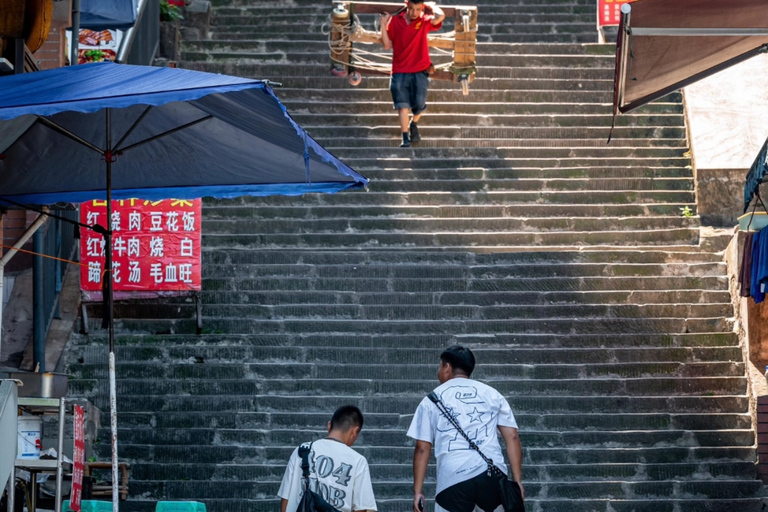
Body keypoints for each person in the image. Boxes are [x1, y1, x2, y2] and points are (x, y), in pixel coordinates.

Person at [407, 346, 524, 512]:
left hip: (453, 478)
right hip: (491, 476)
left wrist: (418, 492)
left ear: (447, 367)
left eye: (440, 366)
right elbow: (512, 437)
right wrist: (517, 481)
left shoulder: (431, 400)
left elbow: (422, 448)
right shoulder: (492, 394)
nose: (439, 370)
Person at [278, 405, 378, 512]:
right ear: (355, 431)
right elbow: (362, 508)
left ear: (329, 425)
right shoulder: (358, 461)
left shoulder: (302, 451)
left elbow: (285, 499)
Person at [380, 0, 445, 147]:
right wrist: (383, 24)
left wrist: (431, 5)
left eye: (417, 9)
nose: (414, 12)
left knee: (419, 104)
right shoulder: (396, 21)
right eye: (411, 9)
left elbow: (440, 16)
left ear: (421, 9)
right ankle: (405, 137)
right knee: (402, 105)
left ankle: (414, 123)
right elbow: (386, 44)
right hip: (399, 69)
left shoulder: (424, 20)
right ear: (406, 7)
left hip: (420, 69)